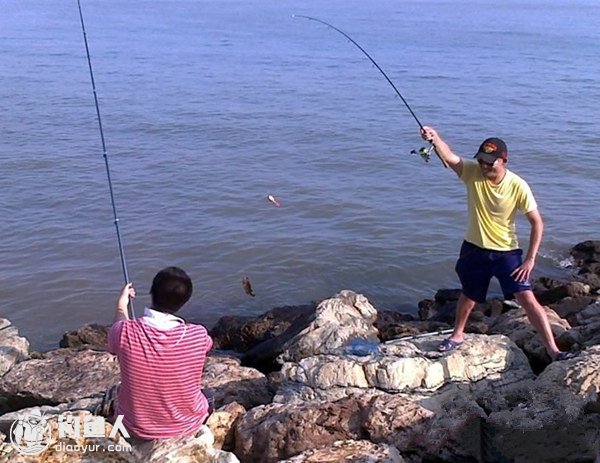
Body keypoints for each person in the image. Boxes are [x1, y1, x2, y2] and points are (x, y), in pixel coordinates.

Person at [420, 126, 577, 361]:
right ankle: (457, 335)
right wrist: (434, 138)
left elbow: (537, 223)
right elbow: (449, 156)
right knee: (469, 294)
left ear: (503, 160)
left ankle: (553, 350)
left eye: (489, 162)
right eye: (481, 160)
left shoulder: (517, 185)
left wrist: (531, 259)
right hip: (474, 248)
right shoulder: (472, 171)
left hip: (506, 253)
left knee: (527, 299)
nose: (484, 165)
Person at [107, 266, 213, 443]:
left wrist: (121, 304)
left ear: (151, 292)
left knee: (115, 393)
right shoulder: (198, 335)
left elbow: (118, 327)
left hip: (135, 428)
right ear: (185, 301)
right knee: (209, 394)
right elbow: (207, 345)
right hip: (187, 426)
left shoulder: (124, 332)